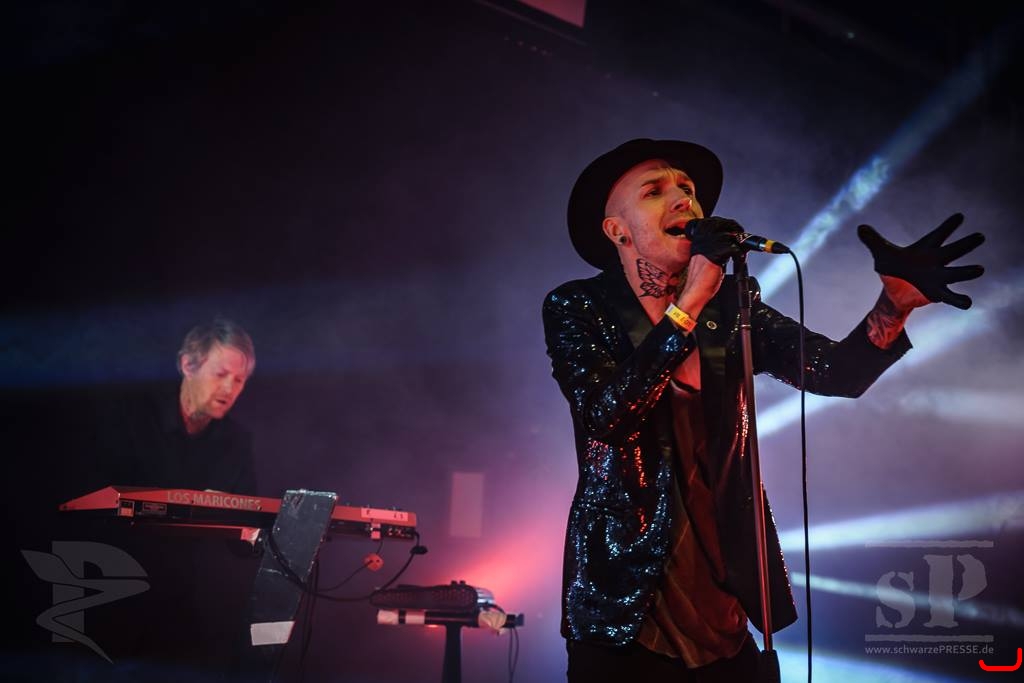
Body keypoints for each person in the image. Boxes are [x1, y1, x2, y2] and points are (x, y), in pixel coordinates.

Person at [542, 138, 984, 682]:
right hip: (624, 605)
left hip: (722, 599)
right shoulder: (578, 306)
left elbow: (835, 373)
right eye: (654, 191)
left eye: (687, 188)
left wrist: (893, 305)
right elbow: (609, 417)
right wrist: (689, 302)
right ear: (618, 231)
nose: (682, 199)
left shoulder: (733, 304)